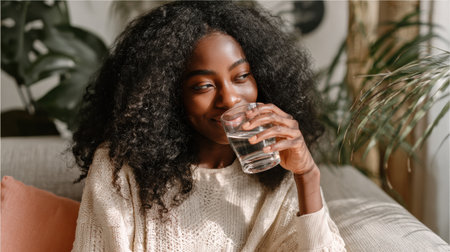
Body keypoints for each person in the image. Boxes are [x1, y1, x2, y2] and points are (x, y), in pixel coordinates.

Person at [71, 1, 346, 251]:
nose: (229, 99)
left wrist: (307, 175)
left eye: (241, 77)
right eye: (204, 86)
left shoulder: (281, 170)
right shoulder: (119, 168)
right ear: (168, 95)